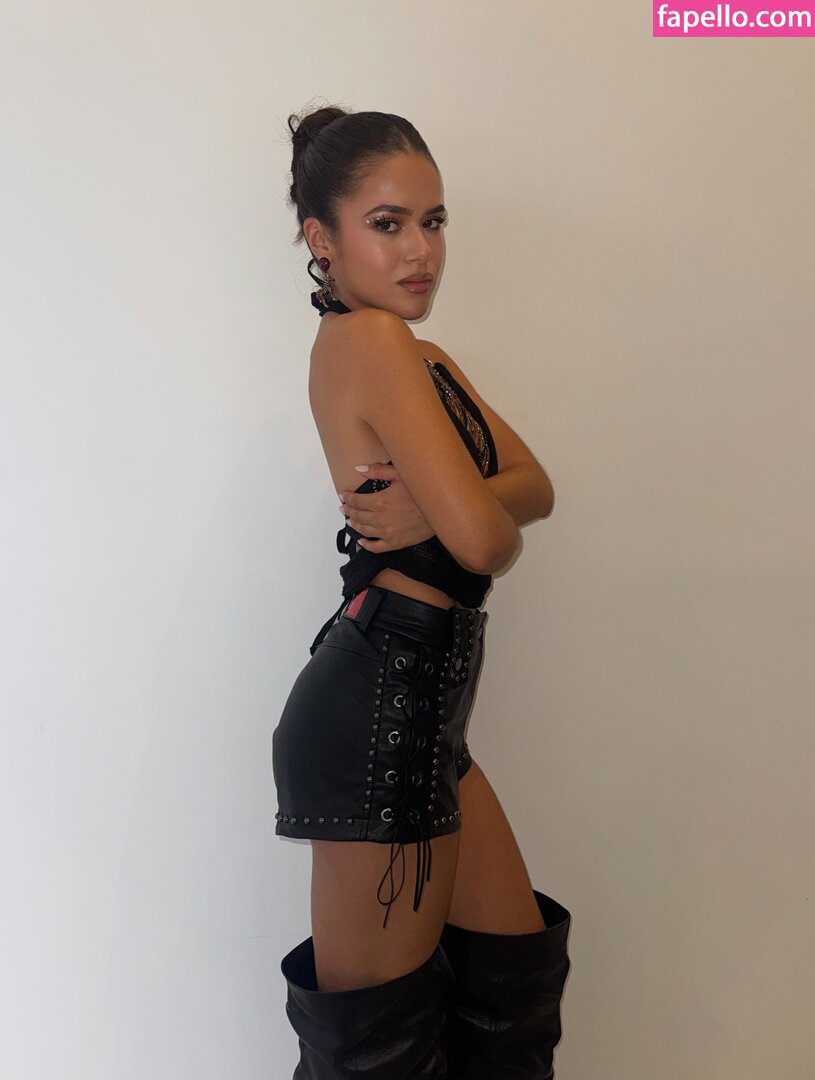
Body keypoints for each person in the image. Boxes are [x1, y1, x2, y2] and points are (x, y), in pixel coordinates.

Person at [273, 103, 572, 1078]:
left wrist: (445, 511)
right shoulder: (366, 341)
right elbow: (488, 541)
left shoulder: (423, 356)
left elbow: (535, 487)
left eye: (432, 221)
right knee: (380, 1055)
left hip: (426, 712)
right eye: (387, 223)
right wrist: (464, 515)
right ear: (321, 238)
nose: (420, 251)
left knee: (509, 996)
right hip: (380, 716)